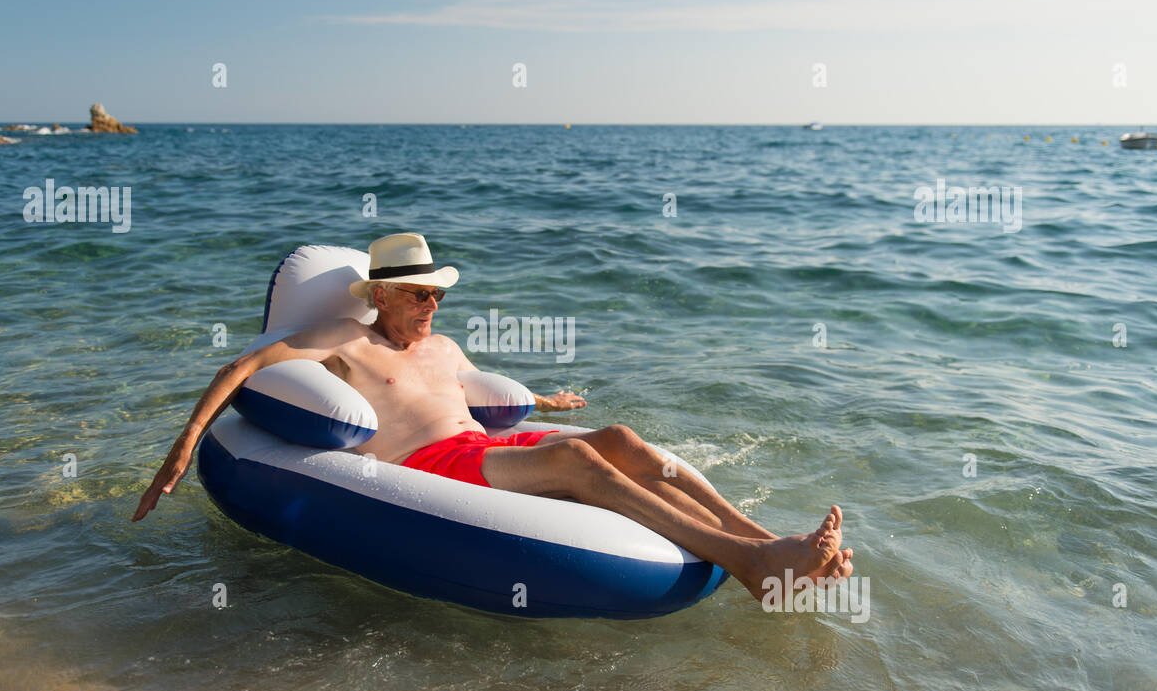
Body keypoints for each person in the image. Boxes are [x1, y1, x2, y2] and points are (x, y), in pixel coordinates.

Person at [133, 233, 851, 601]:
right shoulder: (343, 343)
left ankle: (770, 543)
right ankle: (754, 565)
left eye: (436, 295)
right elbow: (244, 366)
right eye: (419, 295)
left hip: (481, 447)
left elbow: (471, 389)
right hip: (430, 465)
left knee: (619, 440)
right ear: (381, 296)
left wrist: (542, 401)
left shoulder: (443, 343)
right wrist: (183, 445)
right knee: (577, 463)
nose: (432, 305)